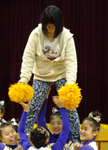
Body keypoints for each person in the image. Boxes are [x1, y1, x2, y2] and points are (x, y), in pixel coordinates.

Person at [18, 5, 80, 142]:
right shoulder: (36, 34)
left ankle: (76, 141)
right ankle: (26, 140)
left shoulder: (67, 36)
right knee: (33, 106)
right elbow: (28, 57)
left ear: (59, 25)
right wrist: (24, 78)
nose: (50, 29)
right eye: (48, 26)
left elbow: (71, 62)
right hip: (41, 75)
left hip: (61, 74)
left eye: (53, 26)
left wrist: (70, 84)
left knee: (70, 107)